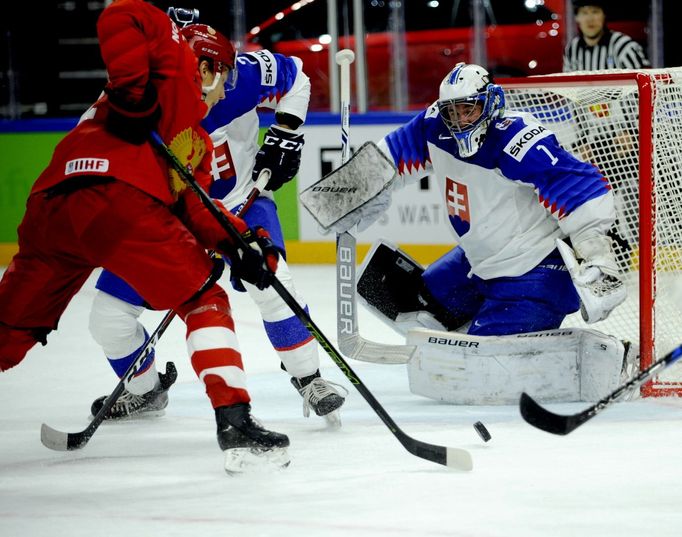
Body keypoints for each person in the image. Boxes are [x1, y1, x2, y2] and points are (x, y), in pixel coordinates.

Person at [0, 0, 290, 473]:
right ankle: (235, 421)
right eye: (225, 75)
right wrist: (134, 89)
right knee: (203, 299)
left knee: (10, 327)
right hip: (120, 203)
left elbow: (195, 206)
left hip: (53, 208)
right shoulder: (171, 59)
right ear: (206, 65)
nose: (225, 91)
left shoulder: (190, 137)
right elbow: (122, 13)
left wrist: (242, 245)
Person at [317, 62, 633, 403]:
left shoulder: (518, 139)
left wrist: (595, 250)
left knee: (474, 370)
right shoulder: (433, 126)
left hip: (535, 271)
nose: (460, 120)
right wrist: (345, 194)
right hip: (478, 262)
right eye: (452, 112)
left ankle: (613, 358)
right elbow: (389, 156)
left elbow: (578, 184)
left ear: (491, 102)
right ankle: (490, 325)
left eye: (469, 109)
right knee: (397, 296)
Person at [88, 22, 347, 424]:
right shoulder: (132, 108)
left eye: (226, 75)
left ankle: (308, 378)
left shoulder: (241, 76)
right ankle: (144, 390)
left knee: (277, 287)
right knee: (107, 316)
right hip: (171, 220)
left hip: (243, 201)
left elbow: (295, 74)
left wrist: (287, 130)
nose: (226, 87)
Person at [563, 0, 650, 72]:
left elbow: (643, 86)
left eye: (595, 12)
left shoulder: (624, 46)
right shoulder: (572, 48)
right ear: (576, 18)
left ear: (604, 16)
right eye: (584, 13)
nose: (590, 19)